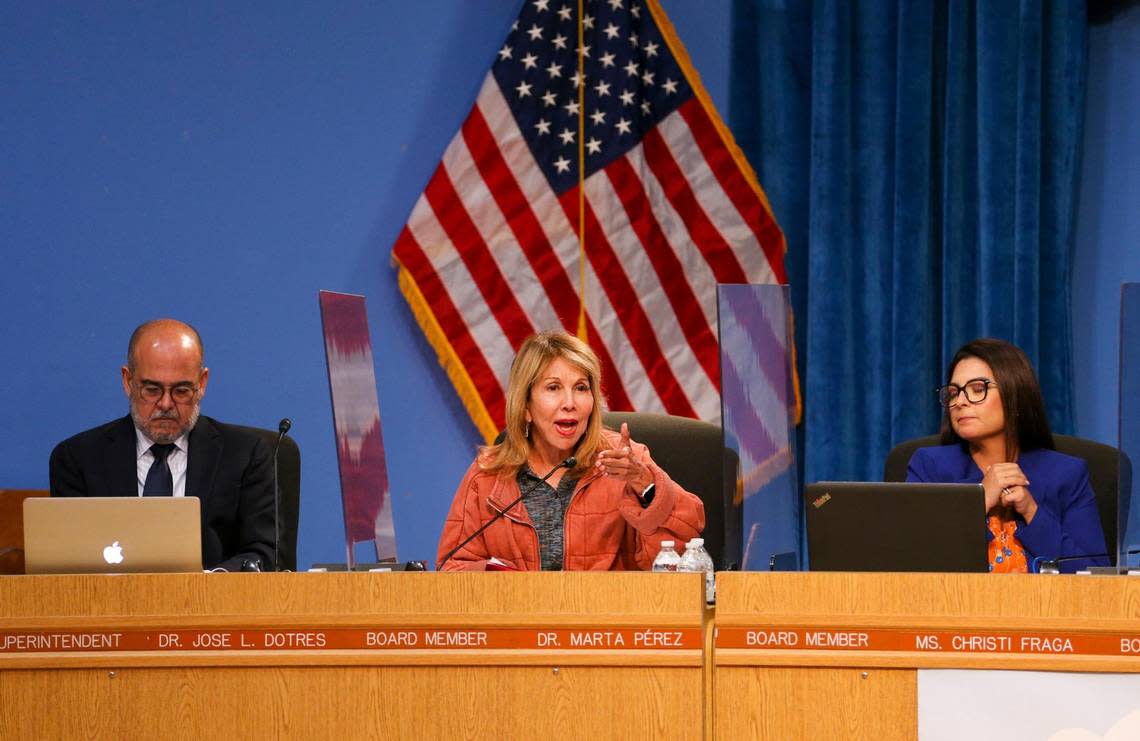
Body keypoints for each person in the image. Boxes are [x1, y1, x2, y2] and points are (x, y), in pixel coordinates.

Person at [437, 331, 705, 571]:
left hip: (607, 622)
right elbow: (453, 568)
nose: (570, 403)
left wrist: (644, 485)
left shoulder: (625, 461)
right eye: (553, 388)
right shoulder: (487, 475)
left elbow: (681, 555)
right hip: (523, 621)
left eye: (581, 388)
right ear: (526, 406)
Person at [49, 318, 275, 571]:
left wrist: (209, 583)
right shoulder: (78, 458)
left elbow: (264, 553)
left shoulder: (246, 455)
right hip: (110, 606)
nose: (166, 404)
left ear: (202, 383)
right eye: (152, 389)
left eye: (181, 390)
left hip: (212, 605)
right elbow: (68, 564)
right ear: (128, 381)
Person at [906, 338, 1108, 573]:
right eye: (953, 393)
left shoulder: (1067, 474)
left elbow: (1096, 576)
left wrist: (1032, 512)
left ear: (1015, 394)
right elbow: (912, 565)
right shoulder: (929, 468)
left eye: (978, 389)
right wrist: (977, 501)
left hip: (1044, 608)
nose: (960, 402)